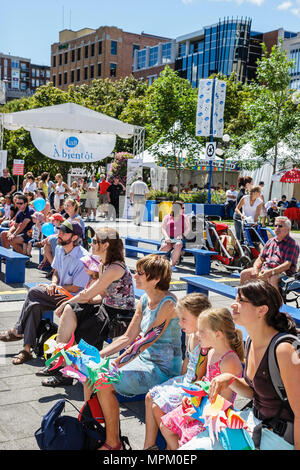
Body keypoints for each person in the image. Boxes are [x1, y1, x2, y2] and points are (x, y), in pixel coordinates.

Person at [82, 254, 182, 450]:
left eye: (140, 273)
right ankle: (94, 428)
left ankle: (113, 443)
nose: (134, 276)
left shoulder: (168, 304)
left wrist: (115, 363)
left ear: (155, 279)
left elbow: (145, 341)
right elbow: (128, 338)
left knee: (104, 381)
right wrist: (97, 356)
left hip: (162, 368)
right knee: (91, 373)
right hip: (143, 359)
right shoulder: (144, 299)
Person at [198, 280, 300, 451]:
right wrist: (231, 380)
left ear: (262, 310)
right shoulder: (251, 342)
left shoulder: (284, 350)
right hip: (258, 424)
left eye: (240, 300)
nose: (233, 304)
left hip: (280, 436)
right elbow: (256, 392)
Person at [41, 227, 135, 386]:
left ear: (105, 245)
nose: (90, 244)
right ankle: (60, 361)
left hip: (120, 316)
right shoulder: (104, 265)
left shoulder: (115, 268)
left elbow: (87, 294)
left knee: (80, 318)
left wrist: (65, 303)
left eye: (95, 241)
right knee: (72, 310)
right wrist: (81, 302)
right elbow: (101, 295)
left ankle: (66, 374)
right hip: (106, 308)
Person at [0, 220, 89, 365]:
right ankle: (26, 350)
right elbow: (56, 273)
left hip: (74, 300)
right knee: (35, 306)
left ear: (74, 237)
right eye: (59, 230)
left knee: (34, 292)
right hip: (60, 293)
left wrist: (56, 288)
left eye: (63, 232)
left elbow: (74, 288)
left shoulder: (83, 258)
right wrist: (53, 284)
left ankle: (17, 330)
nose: (59, 234)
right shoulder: (60, 249)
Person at [160, 306, 244, 450]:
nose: (197, 334)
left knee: (187, 438)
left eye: (202, 331)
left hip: (214, 417)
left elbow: (223, 403)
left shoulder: (229, 361)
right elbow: (204, 382)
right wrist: (191, 399)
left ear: (218, 334)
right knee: (165, 425)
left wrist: (197, 414)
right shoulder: (211, 353)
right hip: (201, 407)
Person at [143, 292, 212, 450]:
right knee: (149, 397)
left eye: (184, 319)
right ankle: (149, 446)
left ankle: (172, 446)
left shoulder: (205, 342)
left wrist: (182, 392)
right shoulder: (191, 335)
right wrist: (176, 383)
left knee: (157, 406)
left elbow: (199, 378)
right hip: (186, 381)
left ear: (200, 317)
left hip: (197, 389)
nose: (180, 323)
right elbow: (187, 364)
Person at [240, 216, 299, 290]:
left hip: (282, 273)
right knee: (244, 273)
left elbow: (287, 265)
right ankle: (245, 298)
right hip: (265, 269)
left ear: (288, 229)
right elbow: (260, 258)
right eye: (275, 225)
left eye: (280, 226)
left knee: (273, 278)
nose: (277, 228)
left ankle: (276, 301)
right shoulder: (270, 241)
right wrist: (255, 269)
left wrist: (271, 272)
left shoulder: (292, 244)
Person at [159, 201, 191, 272]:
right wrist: (166, 237)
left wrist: (182, 235)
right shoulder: (167, 217)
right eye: (183, 208)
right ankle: (159, 264)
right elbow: (163, 228)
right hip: (168, 237)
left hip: (179, 238)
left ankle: (172, 265)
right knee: (165, 246)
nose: (184, 209)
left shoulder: (185, 217)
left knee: (178, 245)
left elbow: (188, 228)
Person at [233, 176, 253, 241]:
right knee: (240, 238)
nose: (253, 185)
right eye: (252, 184)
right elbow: (237, 208)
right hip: (239, 217)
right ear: (247, 184)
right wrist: (242, 215)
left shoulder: (245, 193)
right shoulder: (242, 194)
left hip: (244, 217)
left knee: (244, 237)